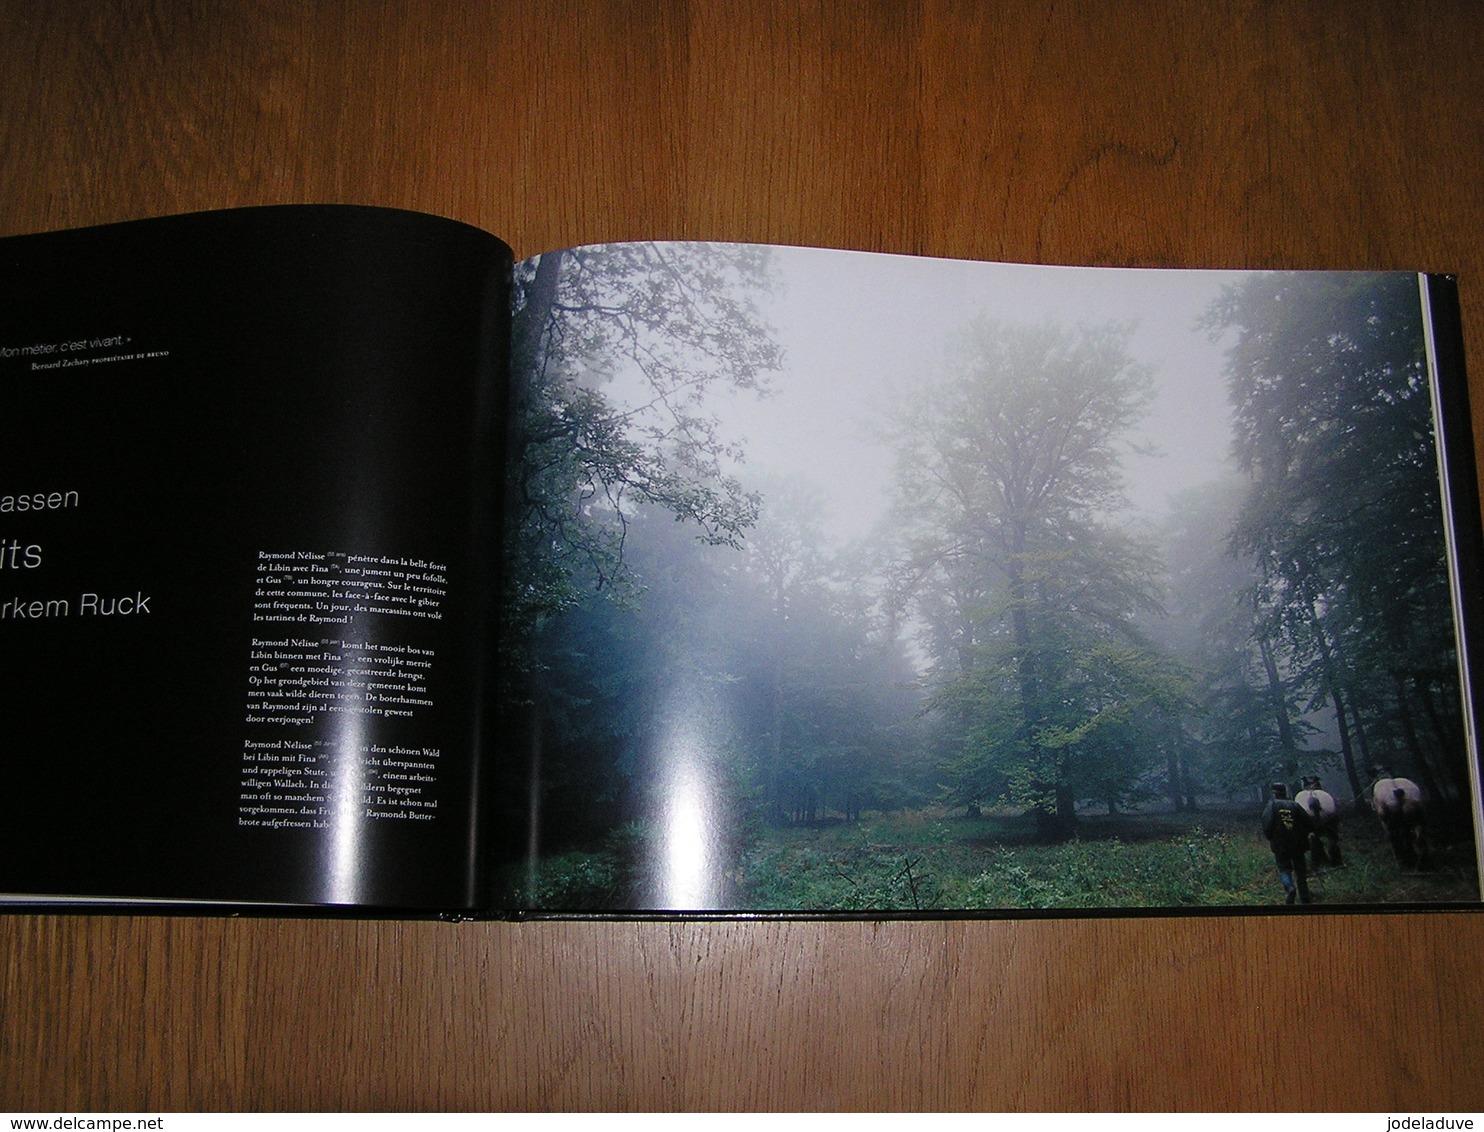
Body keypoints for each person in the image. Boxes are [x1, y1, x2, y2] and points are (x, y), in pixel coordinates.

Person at [1261, 781, 1315, 905]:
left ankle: (1289, 887)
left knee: (1284, 868)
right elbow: (1308, 823)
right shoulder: (1295, 805)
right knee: (1300, 870)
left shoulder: (1272, 805)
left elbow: (1266, 823)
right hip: (1298, 844)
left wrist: (1271, 838)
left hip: (1280, 844)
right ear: (1285, 792)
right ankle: (1305, 898)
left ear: (1274, 793)